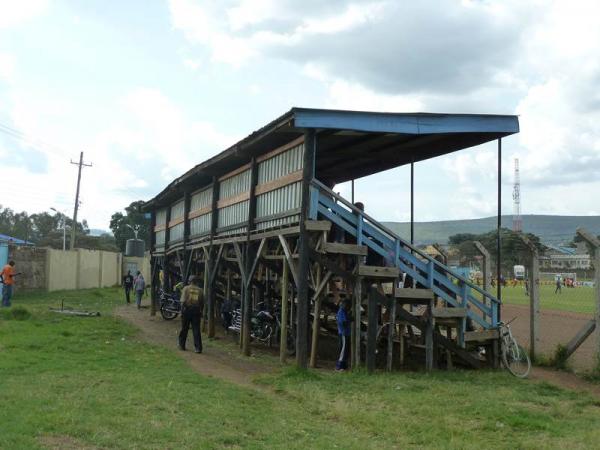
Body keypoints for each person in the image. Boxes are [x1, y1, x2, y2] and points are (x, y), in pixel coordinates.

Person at [178, 275, 204, 353]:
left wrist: (181, 312)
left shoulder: (186, 288)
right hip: (196, 310)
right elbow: (202, 303)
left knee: (184, 328)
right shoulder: (200, 290)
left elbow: (183, 301)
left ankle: (182, 345)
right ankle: (198, 348)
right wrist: (201, 311)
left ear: (189, 281)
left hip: (187, 310)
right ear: (196, 282)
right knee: (196, 330)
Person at [335, 299, 351, 371]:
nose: (349, 308)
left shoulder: (344, 312)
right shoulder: (341, 312)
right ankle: (339, 366)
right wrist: (349, 319)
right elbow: (343, 323)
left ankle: (344, 366)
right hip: (343, 333)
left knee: (346, 350)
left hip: (346, 333)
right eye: (348, 306)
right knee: (343, 350)